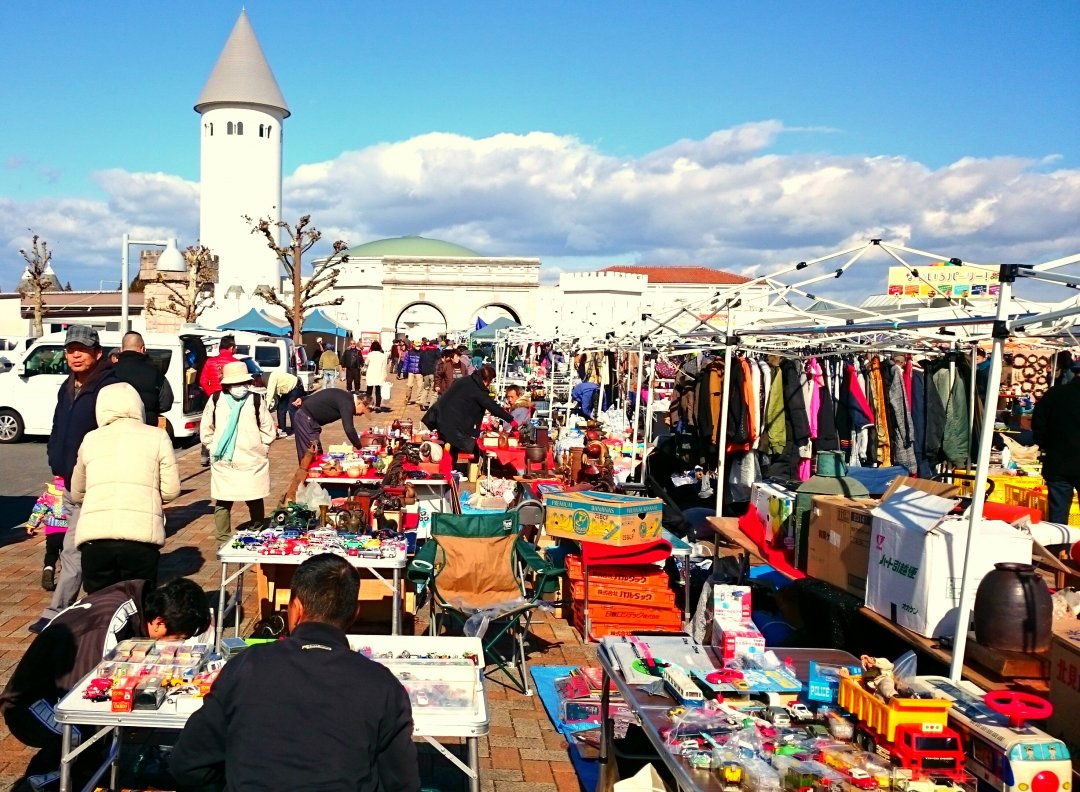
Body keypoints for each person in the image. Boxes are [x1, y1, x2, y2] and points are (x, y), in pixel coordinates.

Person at [170, 554, 418, 792]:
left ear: (296, 609)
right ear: (355, 614)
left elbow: (188, 764)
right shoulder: (382, 685)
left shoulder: (246, 666)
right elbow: (402, 783)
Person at [2, 578, 210, 791]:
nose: (178, 645)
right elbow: (86, 698)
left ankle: (89, 770)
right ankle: (38, 783)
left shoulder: (137, 602)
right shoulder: (107, 624)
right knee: (86, 734)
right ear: (159, 622)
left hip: (60, 691)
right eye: (179, 638)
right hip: (31, 705)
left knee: (99, 738)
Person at [29, 325, 118, 634]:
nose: (75, 355)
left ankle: (57, 611)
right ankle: (95, 603)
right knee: (61, 539)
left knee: (71, 547)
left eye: (81, 349)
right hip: (63, 478)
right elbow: (58, 426)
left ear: (97, 353)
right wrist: (55, 456)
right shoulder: (67, 386)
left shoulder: (109, 387)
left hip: (92, 481)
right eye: (70, 350)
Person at [70, 382, 179, 593]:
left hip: (96, 538)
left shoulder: (91, 439)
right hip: (141, 538)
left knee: (100, 607)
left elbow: (77, 491)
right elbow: (171, 490)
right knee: (138, 603)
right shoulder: (157, 436)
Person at [201, 362, 275, 546]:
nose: (240, 387)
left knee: (254, 496)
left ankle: (256, 528)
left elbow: (268, 429)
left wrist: (262, 447)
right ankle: (223, 537)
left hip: (251, 458)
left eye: (243, 383)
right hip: (224, 460)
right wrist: (212, 447)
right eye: (236, 383)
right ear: (227, 384)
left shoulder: (256, 400)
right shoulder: (215, 399)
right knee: (224, 499)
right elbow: (206, 428)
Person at [427, 364, 514, 464]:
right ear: (486, 379)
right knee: (457, 445)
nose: (489, 384)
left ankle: (450, 470)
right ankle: (454, 471)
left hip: (440, 415)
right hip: (450, 420)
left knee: (451, 447)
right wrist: (511, 419)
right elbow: (492, 406)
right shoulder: (478, 389)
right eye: (490, 381)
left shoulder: (466, 380)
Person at [1032, 361, 1080, 523]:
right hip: (1059, 462)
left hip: (1057, 462)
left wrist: (1047, 445)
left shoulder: (1055, 394)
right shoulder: (1056, 393)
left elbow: (1038, 424)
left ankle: (1060, 549)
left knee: (1058, 518)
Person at [112, 331, 173, 427]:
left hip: (114, 427)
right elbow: (166, 402)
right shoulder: (155, 372)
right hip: (146, 426)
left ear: (121, 349)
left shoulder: (110, 371)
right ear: (143, 349)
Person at [294, 387, 371, 460]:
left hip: (308, 418)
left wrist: (304, 399)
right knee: (311, 453)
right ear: (360, 402)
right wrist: (359, 447)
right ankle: (308, 473)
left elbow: (326, 394)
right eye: (363, 411)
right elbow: (349, 429)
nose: (361, 414)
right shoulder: (347, 403)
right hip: (305, 418)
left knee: (316, 453)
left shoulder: (346, 397)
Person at [198, 335, 240, 467]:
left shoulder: (210, 362)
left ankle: (205, 454)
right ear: (232, 347)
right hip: (231, 398)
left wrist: (212, 394)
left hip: (213, 398)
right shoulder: (235, 363)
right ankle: (227, 452)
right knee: (229, 425)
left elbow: (203, 381)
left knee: (209, 425)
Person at [26, 477, 68, 592]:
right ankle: (66, 577)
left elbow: (39, 509)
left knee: (51, 553)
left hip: (52, 529)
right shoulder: (71, 492)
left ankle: (48, 567)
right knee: (67, 555)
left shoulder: (48, 494)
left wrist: (31, 524)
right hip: (68, 530)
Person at [266, 369, 304, 438]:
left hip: (296, 386)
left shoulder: (271, 379)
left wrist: (265, 409)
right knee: (280, 408)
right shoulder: (268, 379)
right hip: (288, 389)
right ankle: (282, 430)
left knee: (292, 408)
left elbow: (269, 395)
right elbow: (274, 394)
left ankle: (296, 431)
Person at [364, 340, 389, 413]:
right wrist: (385, 375)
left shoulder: (370, 354)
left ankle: (368, 405)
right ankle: (378, 406)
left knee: (369, 391)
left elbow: (366, 363)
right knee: (378, 391)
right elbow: (384, 366)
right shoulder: (383, 355)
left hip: (371, 374)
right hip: (379, 374)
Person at [417, 337, 439, 410]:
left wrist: (421, 371)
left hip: (425, 372)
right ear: (435, 344)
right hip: (433, 372)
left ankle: (421, 401)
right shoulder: (436, 351)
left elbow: (419, 362)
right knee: (434, 389)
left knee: (426, 388)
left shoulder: (424, 351)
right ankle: (431, 406)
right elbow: (439, 361)